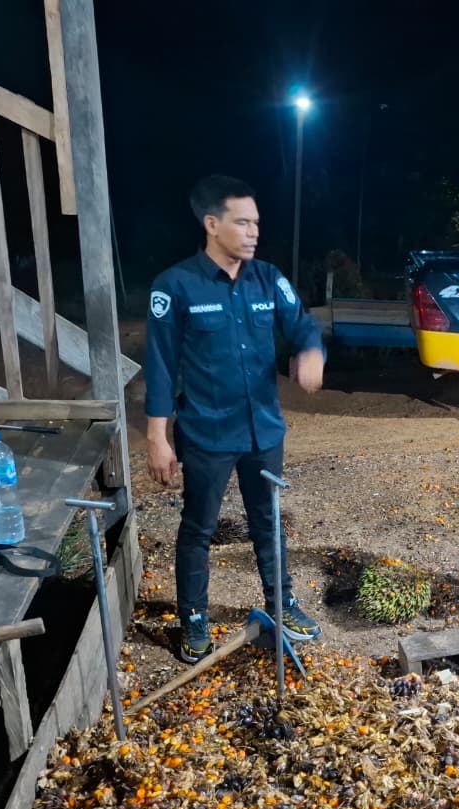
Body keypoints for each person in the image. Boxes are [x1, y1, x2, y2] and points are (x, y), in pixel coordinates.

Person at [145, 175, 325, 663]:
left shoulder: (268, 278)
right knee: (198, 528)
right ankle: (195, 621)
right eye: (242, 222)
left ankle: (283, 603)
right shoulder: (176, 286)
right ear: (212, 224)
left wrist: (311, 351)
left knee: (269, 522)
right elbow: (160, 367)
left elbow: (303, 324)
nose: (253, 232)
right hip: (206, 434)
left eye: (257, 223)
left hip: (263, 432)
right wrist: (158, 439)